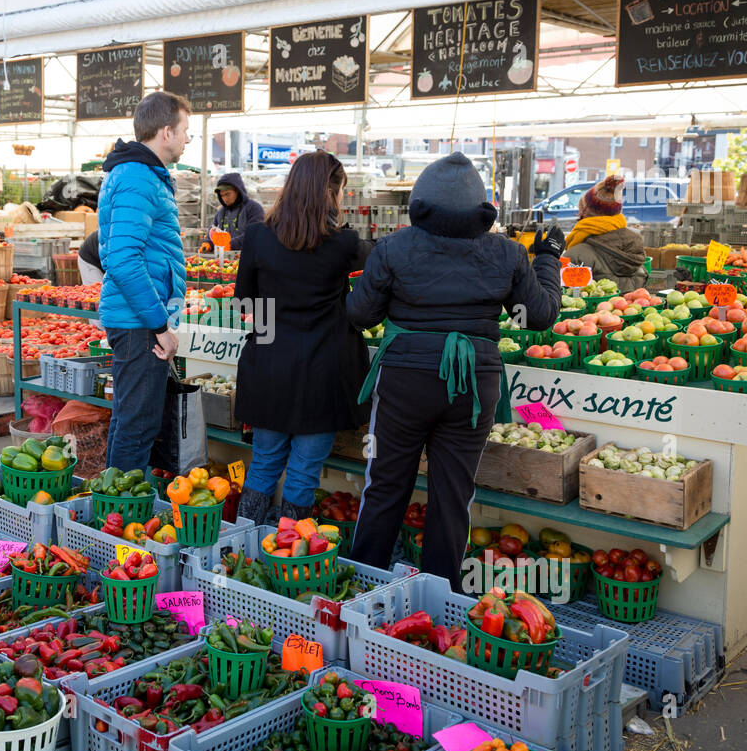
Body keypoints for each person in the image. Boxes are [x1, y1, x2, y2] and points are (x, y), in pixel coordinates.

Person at [345, 152, 564, 583]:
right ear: (481, 209)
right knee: (453, 495)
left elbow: (360, 315)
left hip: (405, 383)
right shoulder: (508, 253)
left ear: (420, 204)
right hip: (473, 391)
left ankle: (364, 584)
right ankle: (440, 598)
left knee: (386, 486)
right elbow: (536, 317)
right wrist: (548, 258)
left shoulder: (394, 247)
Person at [233, 152, 371, 525]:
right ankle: (286, 558)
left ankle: (240, 550)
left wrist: (272, 325)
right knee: (304, 473)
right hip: (323, 372)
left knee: (262, 465)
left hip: (269, 369)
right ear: (330, 192)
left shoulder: (258, 236)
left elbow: (244, 300)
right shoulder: (344, 245)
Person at [98, 91, 190, 474]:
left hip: (136, 317)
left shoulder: (140, 173)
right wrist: (159, 324)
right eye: (186, 130)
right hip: (139, 323)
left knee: (129, 419)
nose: (188, 139)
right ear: (166, 132)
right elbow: (122, 258)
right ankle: (119, 521)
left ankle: (112, 510)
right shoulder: (138, 176)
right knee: (138, 426)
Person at [561, 175, 648, 291]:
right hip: (631, 307)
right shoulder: (634, 243)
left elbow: (566, 296)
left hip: (592, 309)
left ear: (585, 212)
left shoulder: (575, 254)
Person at [210, 172, 265, 250]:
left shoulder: (253, 208)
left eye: (227, 194)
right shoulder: (221, 212)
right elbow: (213, 229)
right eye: (222, 195)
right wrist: (208, 242)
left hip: (250, 257)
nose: (225, 199)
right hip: (226, 258)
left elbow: (254, 233)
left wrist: (231, 245)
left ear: (238, 191)